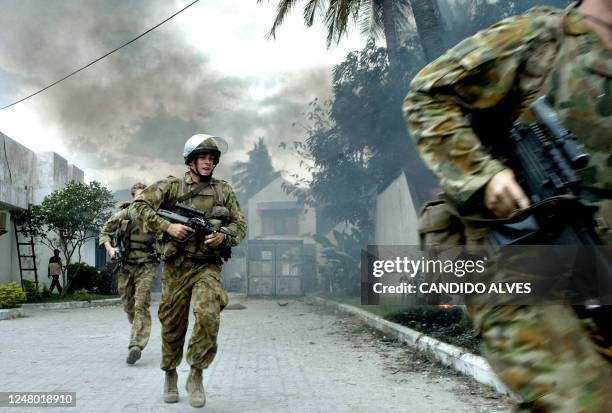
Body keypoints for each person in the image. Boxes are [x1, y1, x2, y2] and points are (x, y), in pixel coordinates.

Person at [403, 0, 612, 411]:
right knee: (583, 401)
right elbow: (428, 95)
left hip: (597, 259)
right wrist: (483, 174)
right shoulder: (539, 38)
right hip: (519, 255)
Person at [129, 134, 246, 408]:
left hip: (207, 266)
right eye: (202, 158)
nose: (208, 162)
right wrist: (166, 227)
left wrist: (223, 237)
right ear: (191, 160)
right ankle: (170, 374)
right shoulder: (171, 186)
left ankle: (196, 374)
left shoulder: (223, 191)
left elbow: (240, 225)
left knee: (208, 315)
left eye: (211, 159)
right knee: (172, 325)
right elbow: (138, 207)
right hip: (176, 267)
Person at [99, 182, 159, 365]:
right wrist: (110, 249)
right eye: (138, 196)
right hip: (125, 265)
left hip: (146, 265)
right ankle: (138, 327)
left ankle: (136, 345)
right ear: (133, 197)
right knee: (128, 305)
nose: (142, 200)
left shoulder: (156, 216)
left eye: (145, 196)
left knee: (141, 304)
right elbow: (104, 232)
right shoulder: (123, 214)